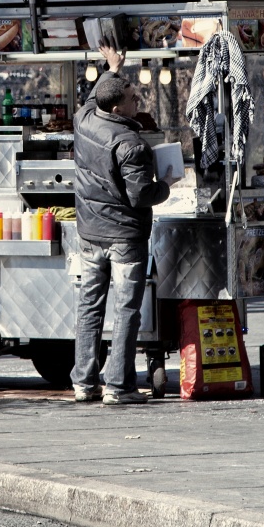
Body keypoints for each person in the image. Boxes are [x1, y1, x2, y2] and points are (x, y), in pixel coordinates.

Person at [71, 49, 172, 405]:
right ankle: (119, 386)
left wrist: (112, 70)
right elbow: (142, 195)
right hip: (124, 239)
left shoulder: (83, 119)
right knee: (126, 309)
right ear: (117, 109)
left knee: (90, 305)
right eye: (132, 98)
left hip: (89, 233)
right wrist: (167, 183)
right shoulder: (132, 144)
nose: (137, 100)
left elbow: (93, 96)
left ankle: (84, 382)